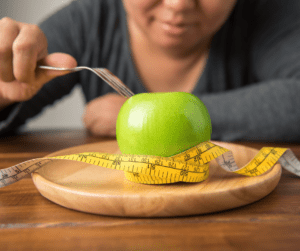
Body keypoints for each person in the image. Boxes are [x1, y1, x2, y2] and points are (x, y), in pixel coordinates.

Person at [0, 0, 300, 142]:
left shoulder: (267, 13)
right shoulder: (89, 21)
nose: (178, 5)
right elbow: (12, 82)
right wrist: (2, 94)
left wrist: (154, 118)